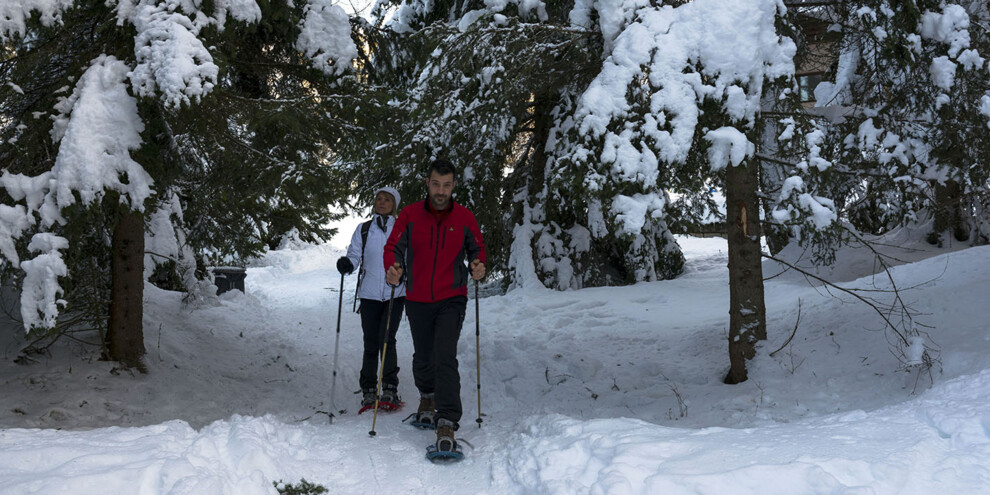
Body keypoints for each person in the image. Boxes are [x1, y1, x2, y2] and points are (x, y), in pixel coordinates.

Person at [385, 159, 486, 454]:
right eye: (436, 184)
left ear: (453, 186)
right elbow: (394, 247)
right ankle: (426, 396)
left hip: (452, 297)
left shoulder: (465, 217)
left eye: (447, 185)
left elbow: (476, 248)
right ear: (427, 183)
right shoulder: (410, 215)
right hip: (417, 298)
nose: (441, 191)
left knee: (445, 355)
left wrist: (478, 265)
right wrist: (393, 266)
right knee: (424, 355)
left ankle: (447, 420)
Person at [337, 187, 406, 410]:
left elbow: (409, 256)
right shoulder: (364, 229)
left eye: (387, 200)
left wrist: (403, 273)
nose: (381, 202)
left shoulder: (402, 228)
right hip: (368, 294)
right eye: (378, 199)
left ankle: (389, 388)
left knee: (387, 339)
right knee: (370, 342)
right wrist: (348, 263)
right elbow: (355, 253)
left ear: (394, 204)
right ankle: (368, 388)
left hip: (395, 293)